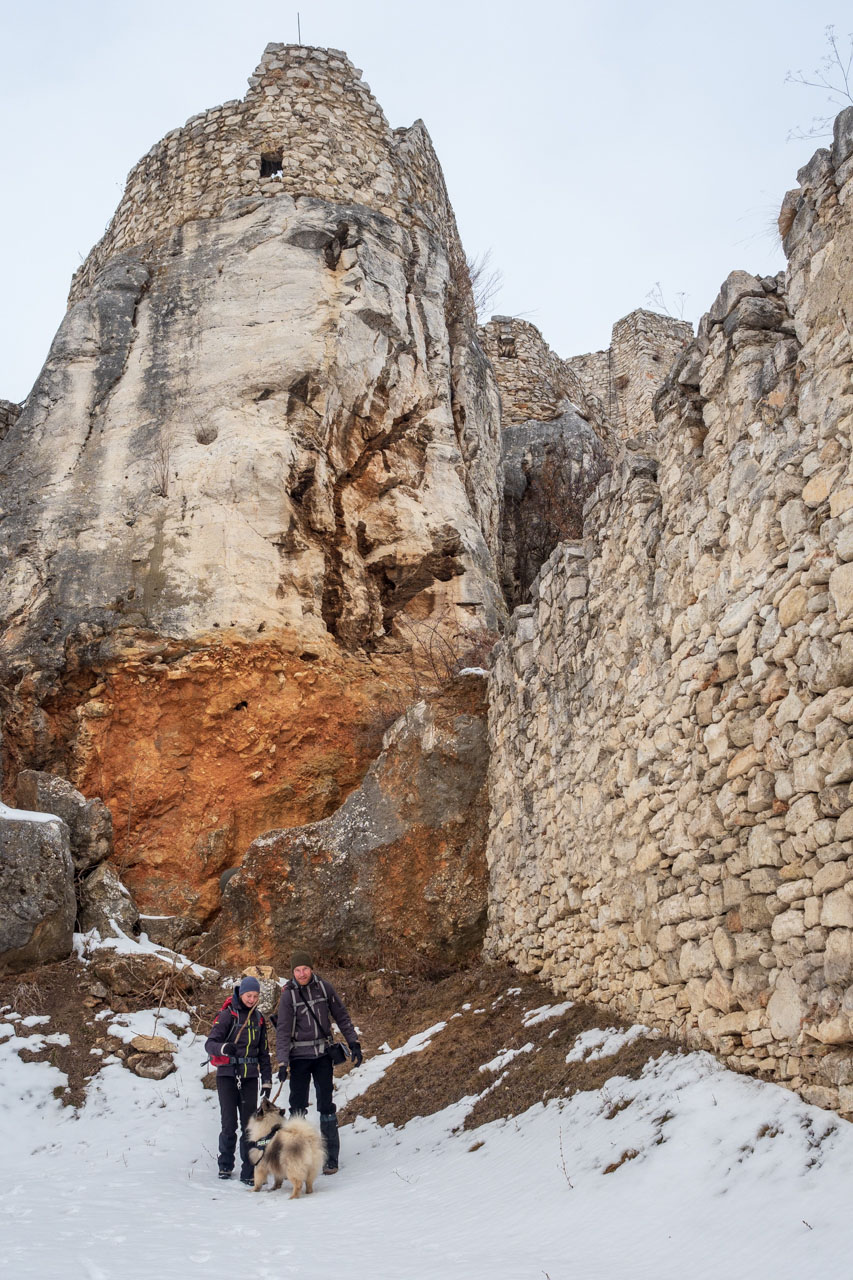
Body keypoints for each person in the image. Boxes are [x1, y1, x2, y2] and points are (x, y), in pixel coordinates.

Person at [275, 949, 363, 1175]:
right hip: (299, 1058)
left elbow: (341, 1016)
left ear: (311, 968)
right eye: (297, 970)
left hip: (323, 1055)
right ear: (292, 972)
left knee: (326, 1105)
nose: (301, 973)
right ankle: (300, 1158)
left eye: (305, 969)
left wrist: (354, 1043)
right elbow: (283, 1031)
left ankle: (330, 1158)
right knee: (297, 1107)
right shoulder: (288, 996)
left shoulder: (325, 988)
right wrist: (283, 1063)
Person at [205, 974, 272, 1184]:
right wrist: (224, 1048)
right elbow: (210, 1044)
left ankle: (248, 1170)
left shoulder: (259, 1018)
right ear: (241, 994)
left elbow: (264, 1053)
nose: (252, 999)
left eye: (255, 996)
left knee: (249, 1125)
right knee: (229, 1123)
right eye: (248, 995)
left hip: (250, 1076)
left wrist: (267, 1080)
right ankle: (225, 1165)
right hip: (227, 1074)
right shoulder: (227, 1015)